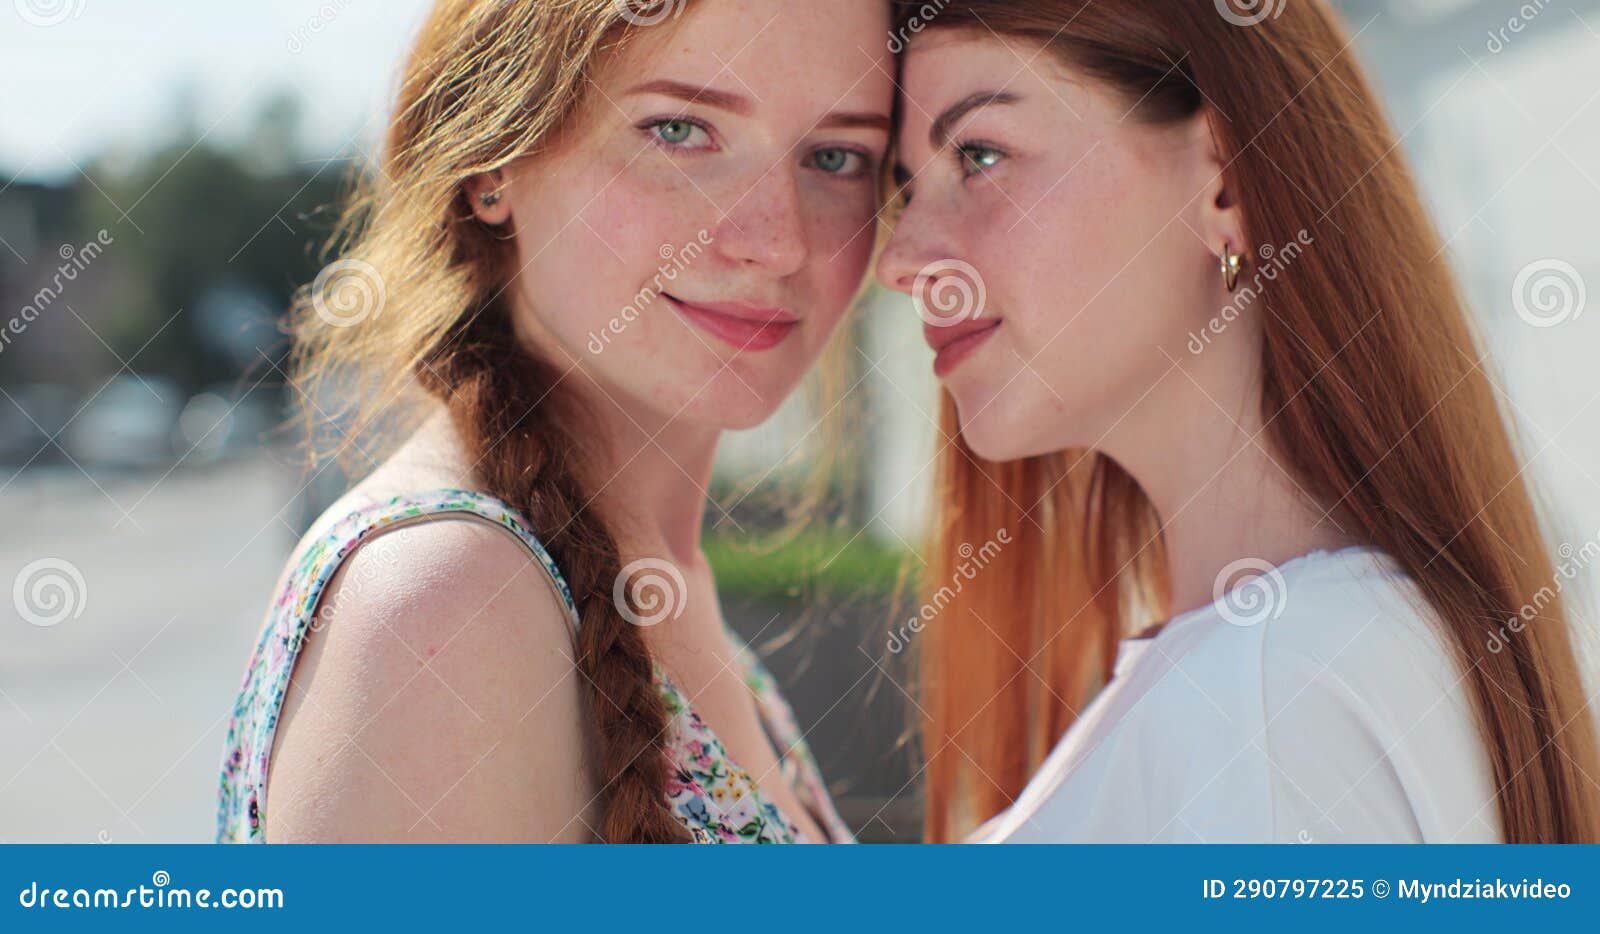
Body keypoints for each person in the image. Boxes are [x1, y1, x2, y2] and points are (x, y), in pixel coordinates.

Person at [876, 0, 1600, 843]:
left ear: (1224, 176)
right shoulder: (1283, 668)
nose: (901, 259)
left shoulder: (1264, 695)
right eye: (904, 192)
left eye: (980, 154)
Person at [217, 0, 894, 844]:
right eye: (680, 132)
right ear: (490, 164)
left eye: (837, 157)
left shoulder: (654, 581)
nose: (778, 241)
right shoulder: (447, 605)